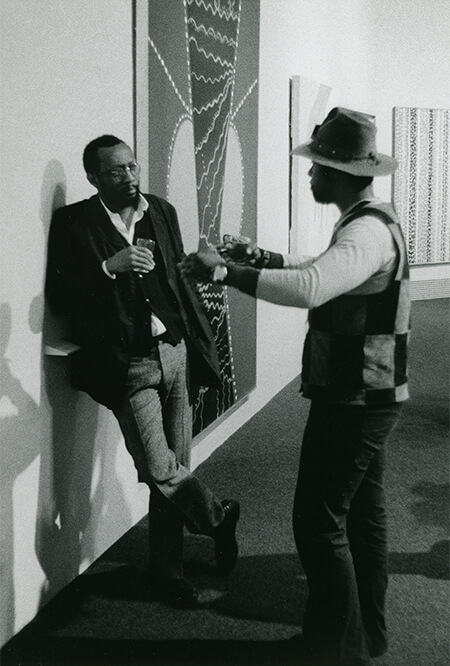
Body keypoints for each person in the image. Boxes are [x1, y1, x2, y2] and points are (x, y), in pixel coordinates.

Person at [181, 108, 410, 664]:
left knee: (317, 523)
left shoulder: (364, 229)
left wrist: (223, 271)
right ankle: (365, 637)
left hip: (355, 399)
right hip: (371, 394)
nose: (309, 176)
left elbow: (311, 286)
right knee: (361, 516)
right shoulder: (370, 220)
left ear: (336, 171)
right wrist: (260, 257)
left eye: (314, 168)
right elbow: (324, 267)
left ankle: (336, 649)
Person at [45, 135, 240, 608]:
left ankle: (167, 573)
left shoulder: (160, 210)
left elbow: (174, 275)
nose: (130, 177)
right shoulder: (74, 222)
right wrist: (107, 268)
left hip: (173, 351)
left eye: (132, 166)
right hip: (126, 362)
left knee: (175, 467)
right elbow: (61, 296)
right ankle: (217, 517)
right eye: (116, 171)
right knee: (158, 466)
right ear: (94, 177)